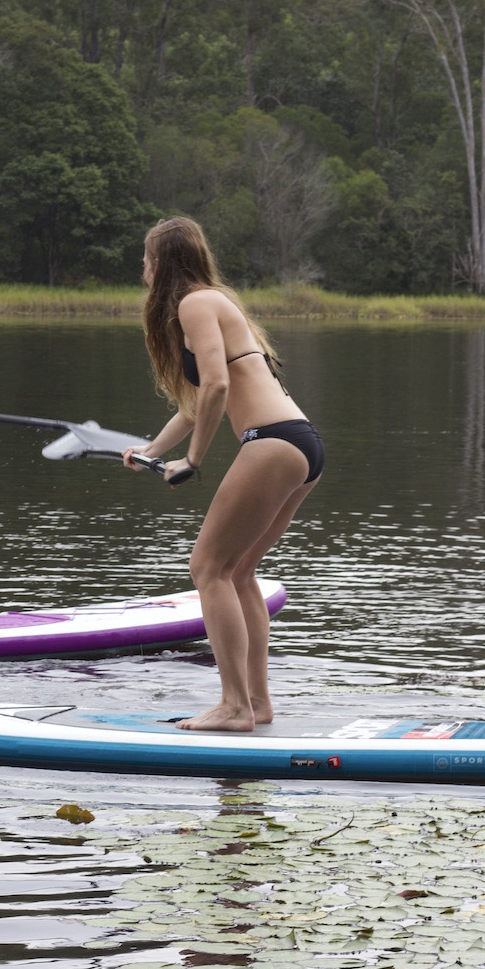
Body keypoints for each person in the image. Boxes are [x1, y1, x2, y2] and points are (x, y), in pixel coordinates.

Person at [122, 216, 324, 731]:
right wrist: (152, 448)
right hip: (300, 444)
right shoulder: (214, 301)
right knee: (238, 573)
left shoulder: (193, 304)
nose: (141, 268)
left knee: (207, 569)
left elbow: (214, 388)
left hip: (273, 444)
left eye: (146, 259)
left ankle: (233, 706)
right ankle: (256, 704)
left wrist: (192, 461)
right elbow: (199, 402)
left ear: (163, 263)